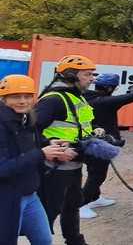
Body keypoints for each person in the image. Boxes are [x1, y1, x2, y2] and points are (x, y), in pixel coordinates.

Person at [0, 75, 75, 244]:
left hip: (30, 195)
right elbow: (2, 168)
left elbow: (29, 142)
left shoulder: (26, 118)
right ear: (3, 99)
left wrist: (49, 143)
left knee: (44, 241)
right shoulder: (2, 124)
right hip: (8, 198)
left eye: (27, 97)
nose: (22, 101)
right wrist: (42, 154)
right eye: (15, 97)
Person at [36, 54, 98, 245]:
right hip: (53, 169)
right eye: (87, 74)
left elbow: (78, 127)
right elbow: (27, 131)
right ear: (71, 76)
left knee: (72, 206)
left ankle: (75, 241)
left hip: (73, 165)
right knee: (49, 210)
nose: (92, 78)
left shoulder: (76, 97)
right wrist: (50, 144)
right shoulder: (54, 99)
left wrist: (96, 134)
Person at [79, 73, 133, 219]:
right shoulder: (104, 102)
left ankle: (95, 198)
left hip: (91, 141)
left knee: (95, 171)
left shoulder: (89, 97)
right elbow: (132, 96)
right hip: (100, 143)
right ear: (109, 88)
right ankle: (80, 205)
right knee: (97, 175)